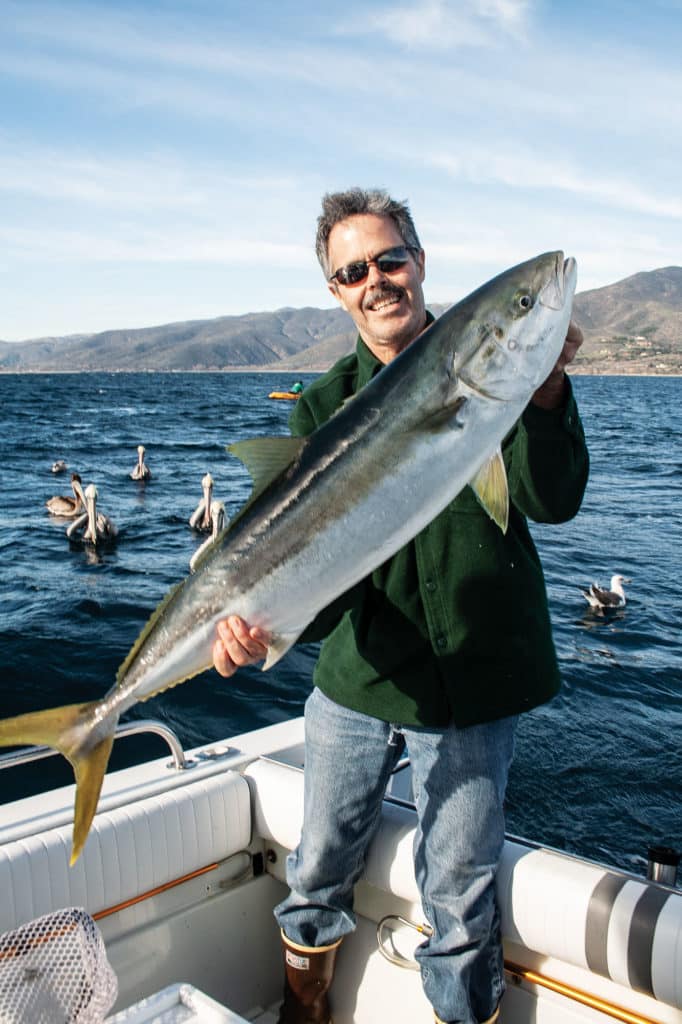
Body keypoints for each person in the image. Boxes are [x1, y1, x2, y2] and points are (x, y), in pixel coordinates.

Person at [212, 188, 589, 1024]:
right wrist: (254, 628)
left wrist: (548, 386)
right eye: (353, 271)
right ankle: (303, 1013)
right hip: (357, 686)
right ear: (338, 291)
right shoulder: (323, 404)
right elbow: (320, 575)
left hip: (471, 692)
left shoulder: (495, 368)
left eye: (389, 259)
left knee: (459, 906)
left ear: (419, 263)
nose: (376, 280)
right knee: (313, 877)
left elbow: (548, 498)